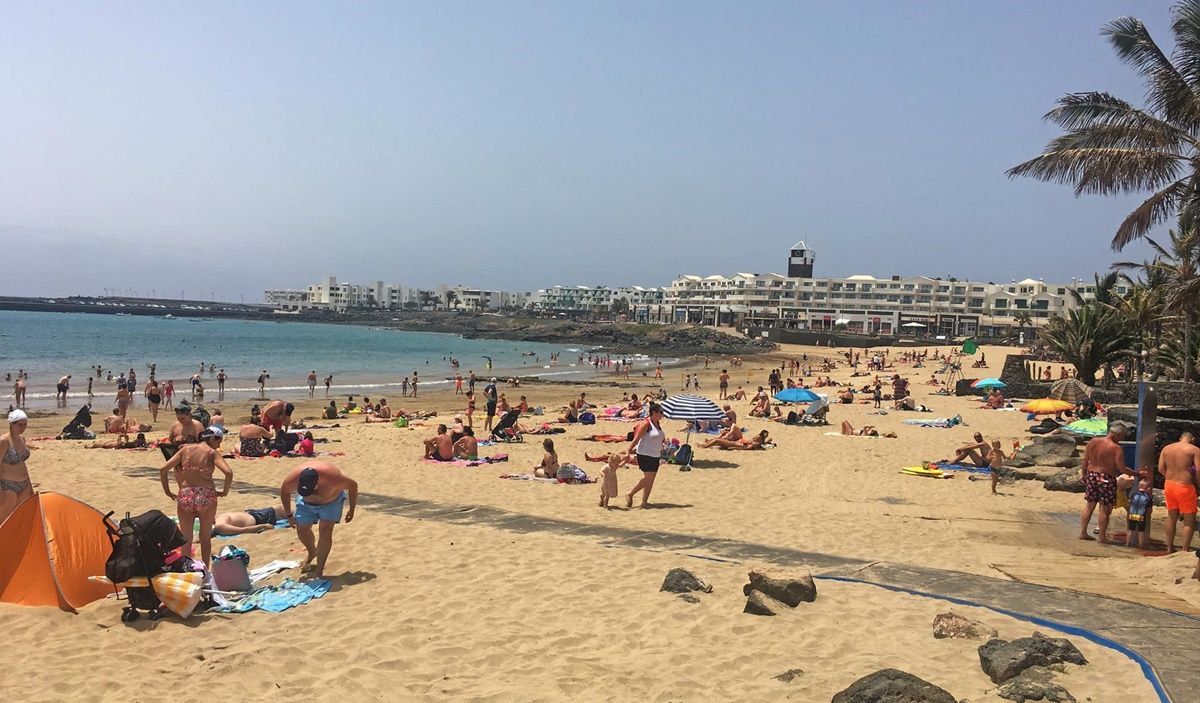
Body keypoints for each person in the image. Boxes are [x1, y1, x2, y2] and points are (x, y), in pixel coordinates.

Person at [158, 427, 232, 565]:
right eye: (218, 441)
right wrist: (224, 492)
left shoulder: (185, 450)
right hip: (206, 495)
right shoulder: (212, 452)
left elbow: (163, 470)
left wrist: (167, 491)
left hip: (186, 494)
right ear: (211, 438)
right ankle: (205, 571)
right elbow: (228, 472)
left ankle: (187, 569)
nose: (219, 445)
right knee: (205, 538)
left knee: (186, 539)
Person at [280, 462, 358, 579]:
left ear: (318, 483)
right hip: (306, 504)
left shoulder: (334, 478)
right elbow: (284, 492)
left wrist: (351, 509)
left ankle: (319, 571)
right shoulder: (292, 480)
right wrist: (289, 515)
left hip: (331, 502)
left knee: (325, 531)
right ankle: (312, 552)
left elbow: (353, 486)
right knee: (302, 529)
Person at [1079, 423, 1131, 544]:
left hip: (1092, 474)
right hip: (1106, 477)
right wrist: (1137, 474)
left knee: (1089, 505)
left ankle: (1083, 532)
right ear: (1117, 434)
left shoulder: (1093, 441)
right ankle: (1102, 537)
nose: (1121, 439)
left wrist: (1084, 474)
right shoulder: (1116, 448)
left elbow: (1085, 459)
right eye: (1121, 436)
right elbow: (1122, 469)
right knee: (1104, 508)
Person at [1158, 431, 1200, 553]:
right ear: (1192, 439)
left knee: (1171, 516)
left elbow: (1161, 468)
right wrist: (1198, 484)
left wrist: (1170, 477)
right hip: (1185, 486)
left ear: (1180, 438)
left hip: (1169, 484)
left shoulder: (1166, 448)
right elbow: (1198, 470)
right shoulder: (1194, 450)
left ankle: (1169, 547)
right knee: (1189, 519)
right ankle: (1185, 549)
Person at [626, 402, 665, 508]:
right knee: (648, 478)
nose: (662, 414)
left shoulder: (657, 423)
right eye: (661, 412)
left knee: (651, 479)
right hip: (644, 454)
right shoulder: (646, 423)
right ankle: (630, 493)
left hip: (655, 455)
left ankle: (644, 502)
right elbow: (636, 438)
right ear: (654, 412)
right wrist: (628, 451)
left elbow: (657, 437)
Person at [0, 410, 33, 524]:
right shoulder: (4, 441)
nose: (23, 428)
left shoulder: (22, 439)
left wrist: (30, 485)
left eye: (25, 425)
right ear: (11, 424)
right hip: (8, 485)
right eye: (20, 425)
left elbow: (22, 465)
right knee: (4, 521)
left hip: (24, 485)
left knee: (20, 519)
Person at [213, 505, 285, 536]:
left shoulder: (214, 520)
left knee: (280, 509)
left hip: (253, 514)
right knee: (280, 509)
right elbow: (242, 530)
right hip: (258, 519)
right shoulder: (220, 526)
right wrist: (262, 526)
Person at [1126, 476, 1154, 549]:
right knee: (1141, 531)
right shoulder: (1148, 497)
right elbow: (1149, 509)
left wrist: (1128, 513)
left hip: (1132, 515)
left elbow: (1129, 505)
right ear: (1148, 489)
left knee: (1130, 529)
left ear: (1138, 487)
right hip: (1141, 516)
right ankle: (1141, 545)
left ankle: (1127, 543)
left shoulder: (1133, 495)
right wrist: (1148, 515)